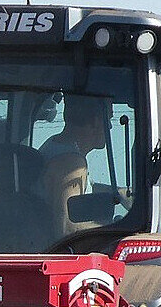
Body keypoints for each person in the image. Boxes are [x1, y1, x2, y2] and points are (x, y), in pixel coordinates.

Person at [38, 95, 113, 238]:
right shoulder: (72, 164)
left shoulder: (54, 145)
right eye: (108, 118)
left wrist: (118, 194)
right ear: (96, 122)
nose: (110, 126)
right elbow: (67, 227)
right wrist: (117, 227)